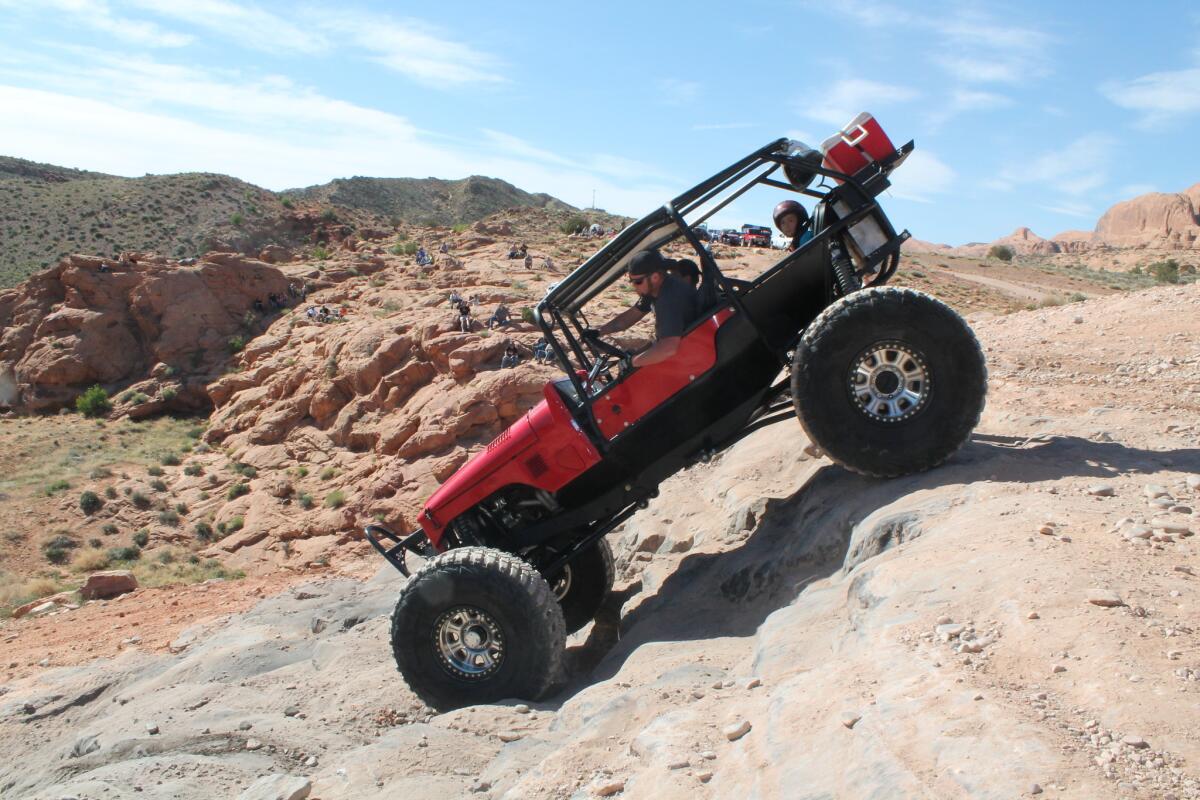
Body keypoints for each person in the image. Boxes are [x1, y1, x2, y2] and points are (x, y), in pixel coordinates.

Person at [596, 250, 700, 368]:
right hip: (684, 354)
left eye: (638, 282)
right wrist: (599, 331)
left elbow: (668, 348)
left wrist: (632, 362)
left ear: (655, 277)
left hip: (689, 362)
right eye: (632, 282)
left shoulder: (669, 298)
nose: (634, 287)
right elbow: (630, 316)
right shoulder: (654, 290)